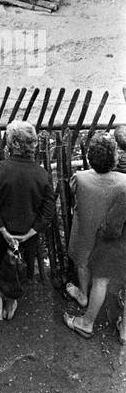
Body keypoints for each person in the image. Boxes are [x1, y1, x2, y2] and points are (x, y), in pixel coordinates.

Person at [0, 121, 54, 321]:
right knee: (19, 268)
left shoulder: (1, 169)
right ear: (32, 145)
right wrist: (30, 233)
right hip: (26, 235)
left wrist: (4, 230)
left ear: (12, 143)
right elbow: (48, 210)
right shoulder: (42, 174)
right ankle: (12, 303)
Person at [63, 133, 126, 325]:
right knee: (102, 274)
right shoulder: (124, 181)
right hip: (107, 240)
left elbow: (75, 194)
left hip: (84, 231)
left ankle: (83, 295)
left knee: (82, 263)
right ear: (115, 158)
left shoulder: (79, 177)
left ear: (90, 157)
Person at [65, 185, 126, 342]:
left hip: (119, 245)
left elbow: (113, 227)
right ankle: (124, 331)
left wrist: (102, 230)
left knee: (100, 280)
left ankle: (86, 323)